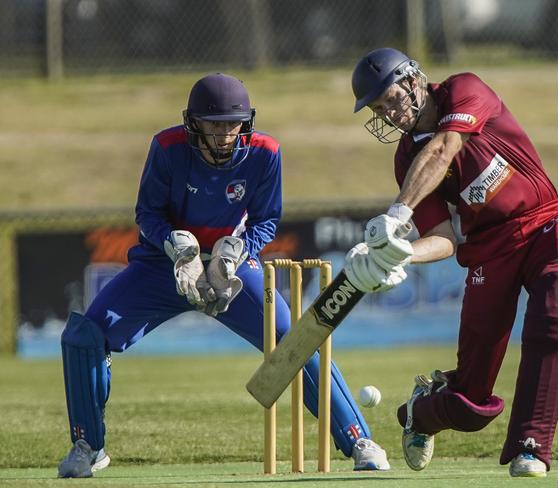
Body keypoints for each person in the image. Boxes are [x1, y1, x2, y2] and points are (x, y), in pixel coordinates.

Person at [57, 73, 390, 478]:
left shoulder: (266, 152)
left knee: (296, 341)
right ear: (193, 123)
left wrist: (237, 251)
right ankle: (88, 444)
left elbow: (267, 220)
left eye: (233, 125)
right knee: (84, 335)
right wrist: (177, 246)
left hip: (229, 269)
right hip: (164, 265)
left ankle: (357, 438)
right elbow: (147, 214)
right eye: (214, 125)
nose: (224, 135)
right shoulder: (167, 147)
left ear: (245, 122)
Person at [344, 48, 558, 478]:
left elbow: (444, 147)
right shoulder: (406, 159)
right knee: (471, 402)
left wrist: (397, 214)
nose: (390, 114)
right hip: (489, 250)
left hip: (545, 220)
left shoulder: (464, 90)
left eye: (392, 99)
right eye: (380, 110)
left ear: (415, 79)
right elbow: (440, 240)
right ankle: (422, 412)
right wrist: (398, 256)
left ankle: (531, 447)